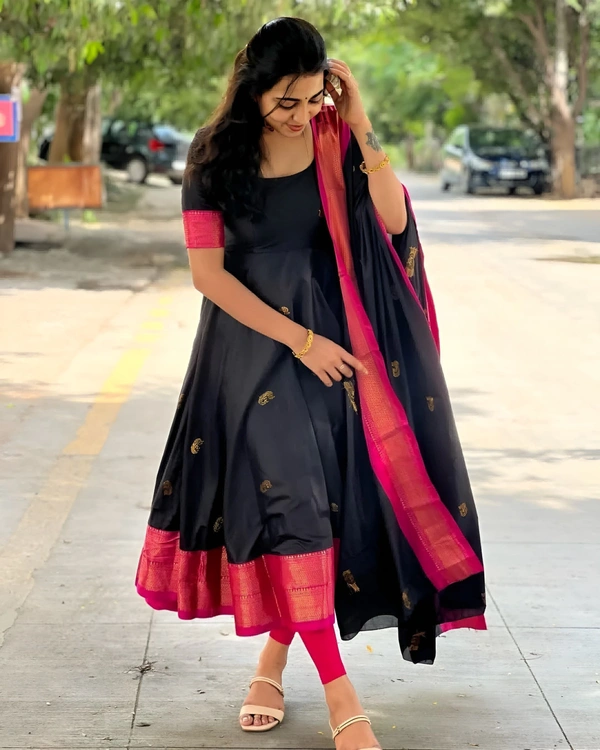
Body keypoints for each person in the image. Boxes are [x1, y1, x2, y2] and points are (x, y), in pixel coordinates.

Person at [135, 16, 486, 750]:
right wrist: (299, 341)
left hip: (338, 354)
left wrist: (359, 124)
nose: (299, 116)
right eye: (285, 102)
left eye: (312, 98)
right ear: (253, 89)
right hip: (253, 354)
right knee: (291, 503)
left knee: (318, 516)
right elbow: (208, 276)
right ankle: (341, 698)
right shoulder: (211, 154)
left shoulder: (335, 140)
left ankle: (272, 661)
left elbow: (393, 221)